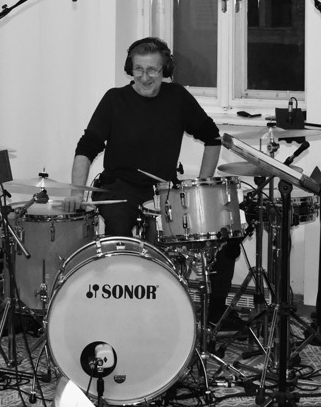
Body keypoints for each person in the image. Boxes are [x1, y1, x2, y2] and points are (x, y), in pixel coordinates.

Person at [62, 37, 238, 328]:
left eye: (152, 70)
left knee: (222, 233)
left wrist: (203, 184)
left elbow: (212, 137)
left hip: (162, 190)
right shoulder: (114, 99)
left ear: (165, 70)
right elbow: (87, 147)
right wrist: (77, 192)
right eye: (138, 69)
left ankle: (214, 314)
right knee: (120, 231)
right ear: (129, 68)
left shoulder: (178, 98)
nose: (144, 77)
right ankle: (121, 313)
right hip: (119, 187)